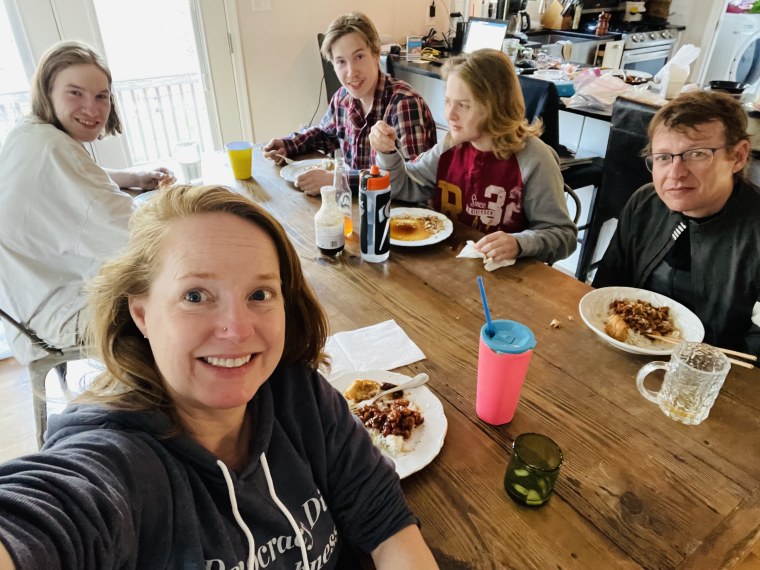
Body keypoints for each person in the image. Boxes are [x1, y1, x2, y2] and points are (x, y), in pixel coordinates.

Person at [0, 184, 439, 569]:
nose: (238, 329)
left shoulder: (297, 393)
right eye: (196, 295)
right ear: (142, 314)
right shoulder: (117, 464)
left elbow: (386, 523)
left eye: (259, 294)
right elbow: (42, 520)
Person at [0, 40, 172, 365]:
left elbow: (71, 179)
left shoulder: (29, 133)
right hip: (57, 315)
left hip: (26, 301)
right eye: (75, 93)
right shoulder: (53, 149)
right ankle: (170, 401)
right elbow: (135, 237)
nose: (92, 109)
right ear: (47, 91)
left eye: (101, 96)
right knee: (182, 296)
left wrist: (131, 177)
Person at [369, 49, 577, 265]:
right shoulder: (451, 146)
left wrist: (520, 243)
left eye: (463, 105)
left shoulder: (534, 159)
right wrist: (387, 153)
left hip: (505, 281)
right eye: (448, 101)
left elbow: (564, 236)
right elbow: (403, 186)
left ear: (496, 108)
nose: (449, 114)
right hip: (448, 267)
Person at [593, 90, 760, 359]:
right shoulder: (645, 203)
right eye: (663, 157)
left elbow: (756, 354)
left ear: (738, 156)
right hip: (631, 355)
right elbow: (606, 288)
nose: (675, 173)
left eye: (696, 154)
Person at [264, 12, 437, 196]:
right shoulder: (342, 98)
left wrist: (338, 179)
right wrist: (288, 144)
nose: (351, 72)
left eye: (359, 57)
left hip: (400, 214)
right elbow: (324, 133)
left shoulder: (404, 104)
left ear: (376, 54)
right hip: (357, 205)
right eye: (341, 61)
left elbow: (412, 181)